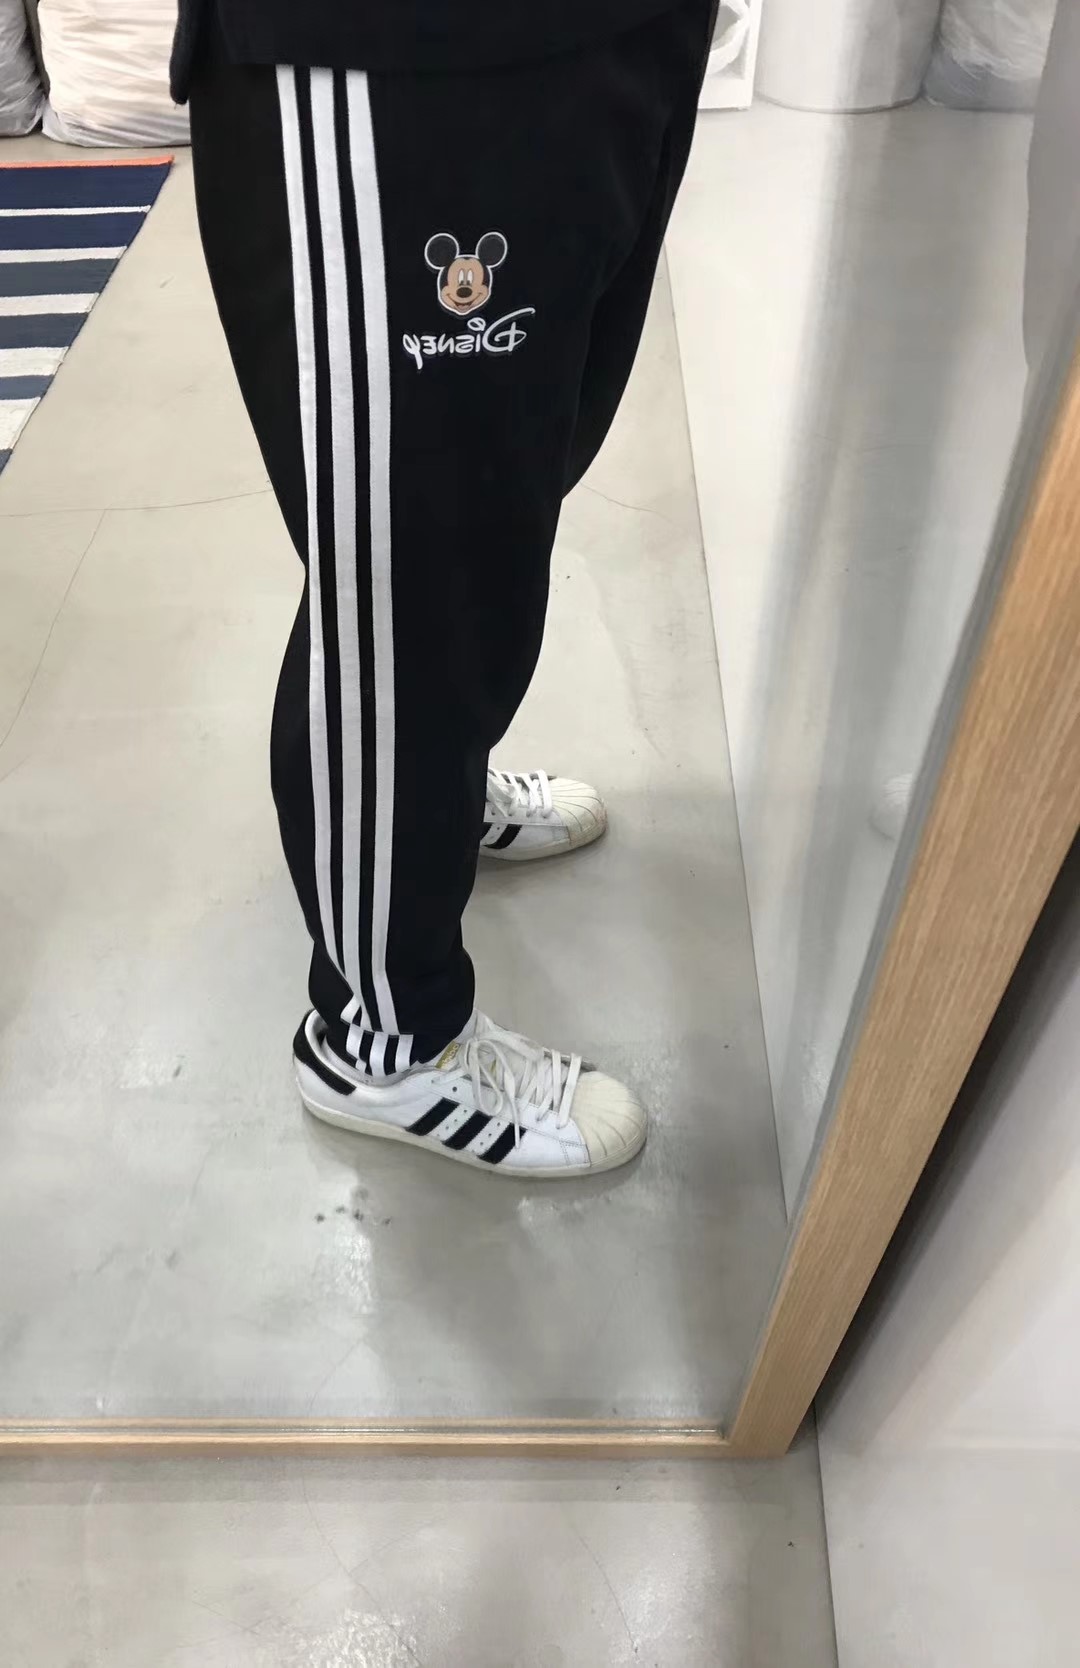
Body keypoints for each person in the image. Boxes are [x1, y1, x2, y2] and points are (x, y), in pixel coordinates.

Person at [173, 0, 716, 1178]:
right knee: (410, 572)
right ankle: (383, 1041)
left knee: (502, 498)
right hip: (393, 50)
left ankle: (424, 801)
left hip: (609, 40)